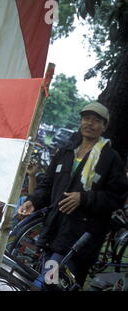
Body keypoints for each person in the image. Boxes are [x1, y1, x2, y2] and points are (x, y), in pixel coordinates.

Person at [18, 102, 128, 289]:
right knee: (51, 282)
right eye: (86, 118)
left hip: (79, 242)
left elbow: (116, 197)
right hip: (53, 233)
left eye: (96, 120)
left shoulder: (110, 158)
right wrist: (32, 201)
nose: (90, 123)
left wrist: (84, 198)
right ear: (80, 121)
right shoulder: (66, 151)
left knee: (49, 284)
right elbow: (47, 184)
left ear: (104, 126)